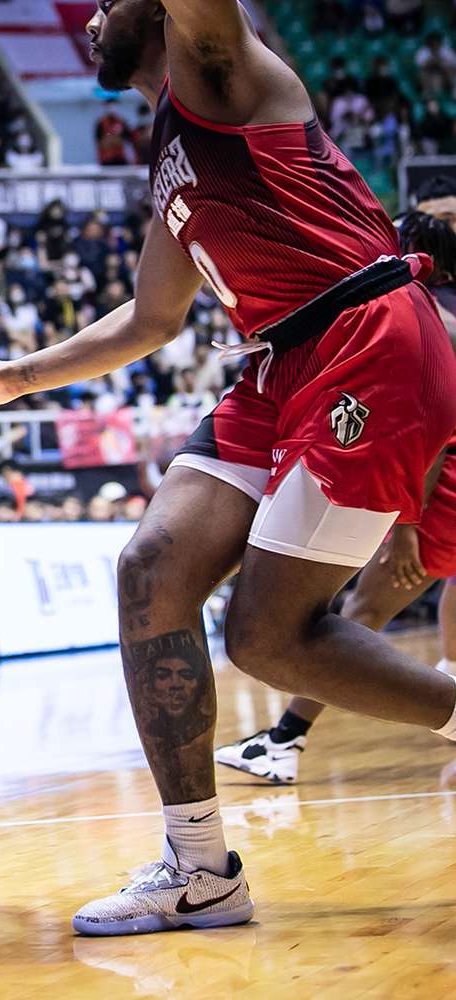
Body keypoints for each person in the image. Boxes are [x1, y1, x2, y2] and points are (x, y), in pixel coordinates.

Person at [0, 0, 456, 936]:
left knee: (268, 639)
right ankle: (200, 868)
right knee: (152, 568)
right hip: (279, 363)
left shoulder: (222, 68)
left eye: (108, 1)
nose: (93, 17)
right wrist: (15, 378)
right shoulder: (171, 144)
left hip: (365, 341)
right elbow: (151, 319)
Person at [216, 210, 456, 783]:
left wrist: (405, 527)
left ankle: (284, 742)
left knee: (362, 609)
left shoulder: (428, 315)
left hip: (443, 487)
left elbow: (432, 435)